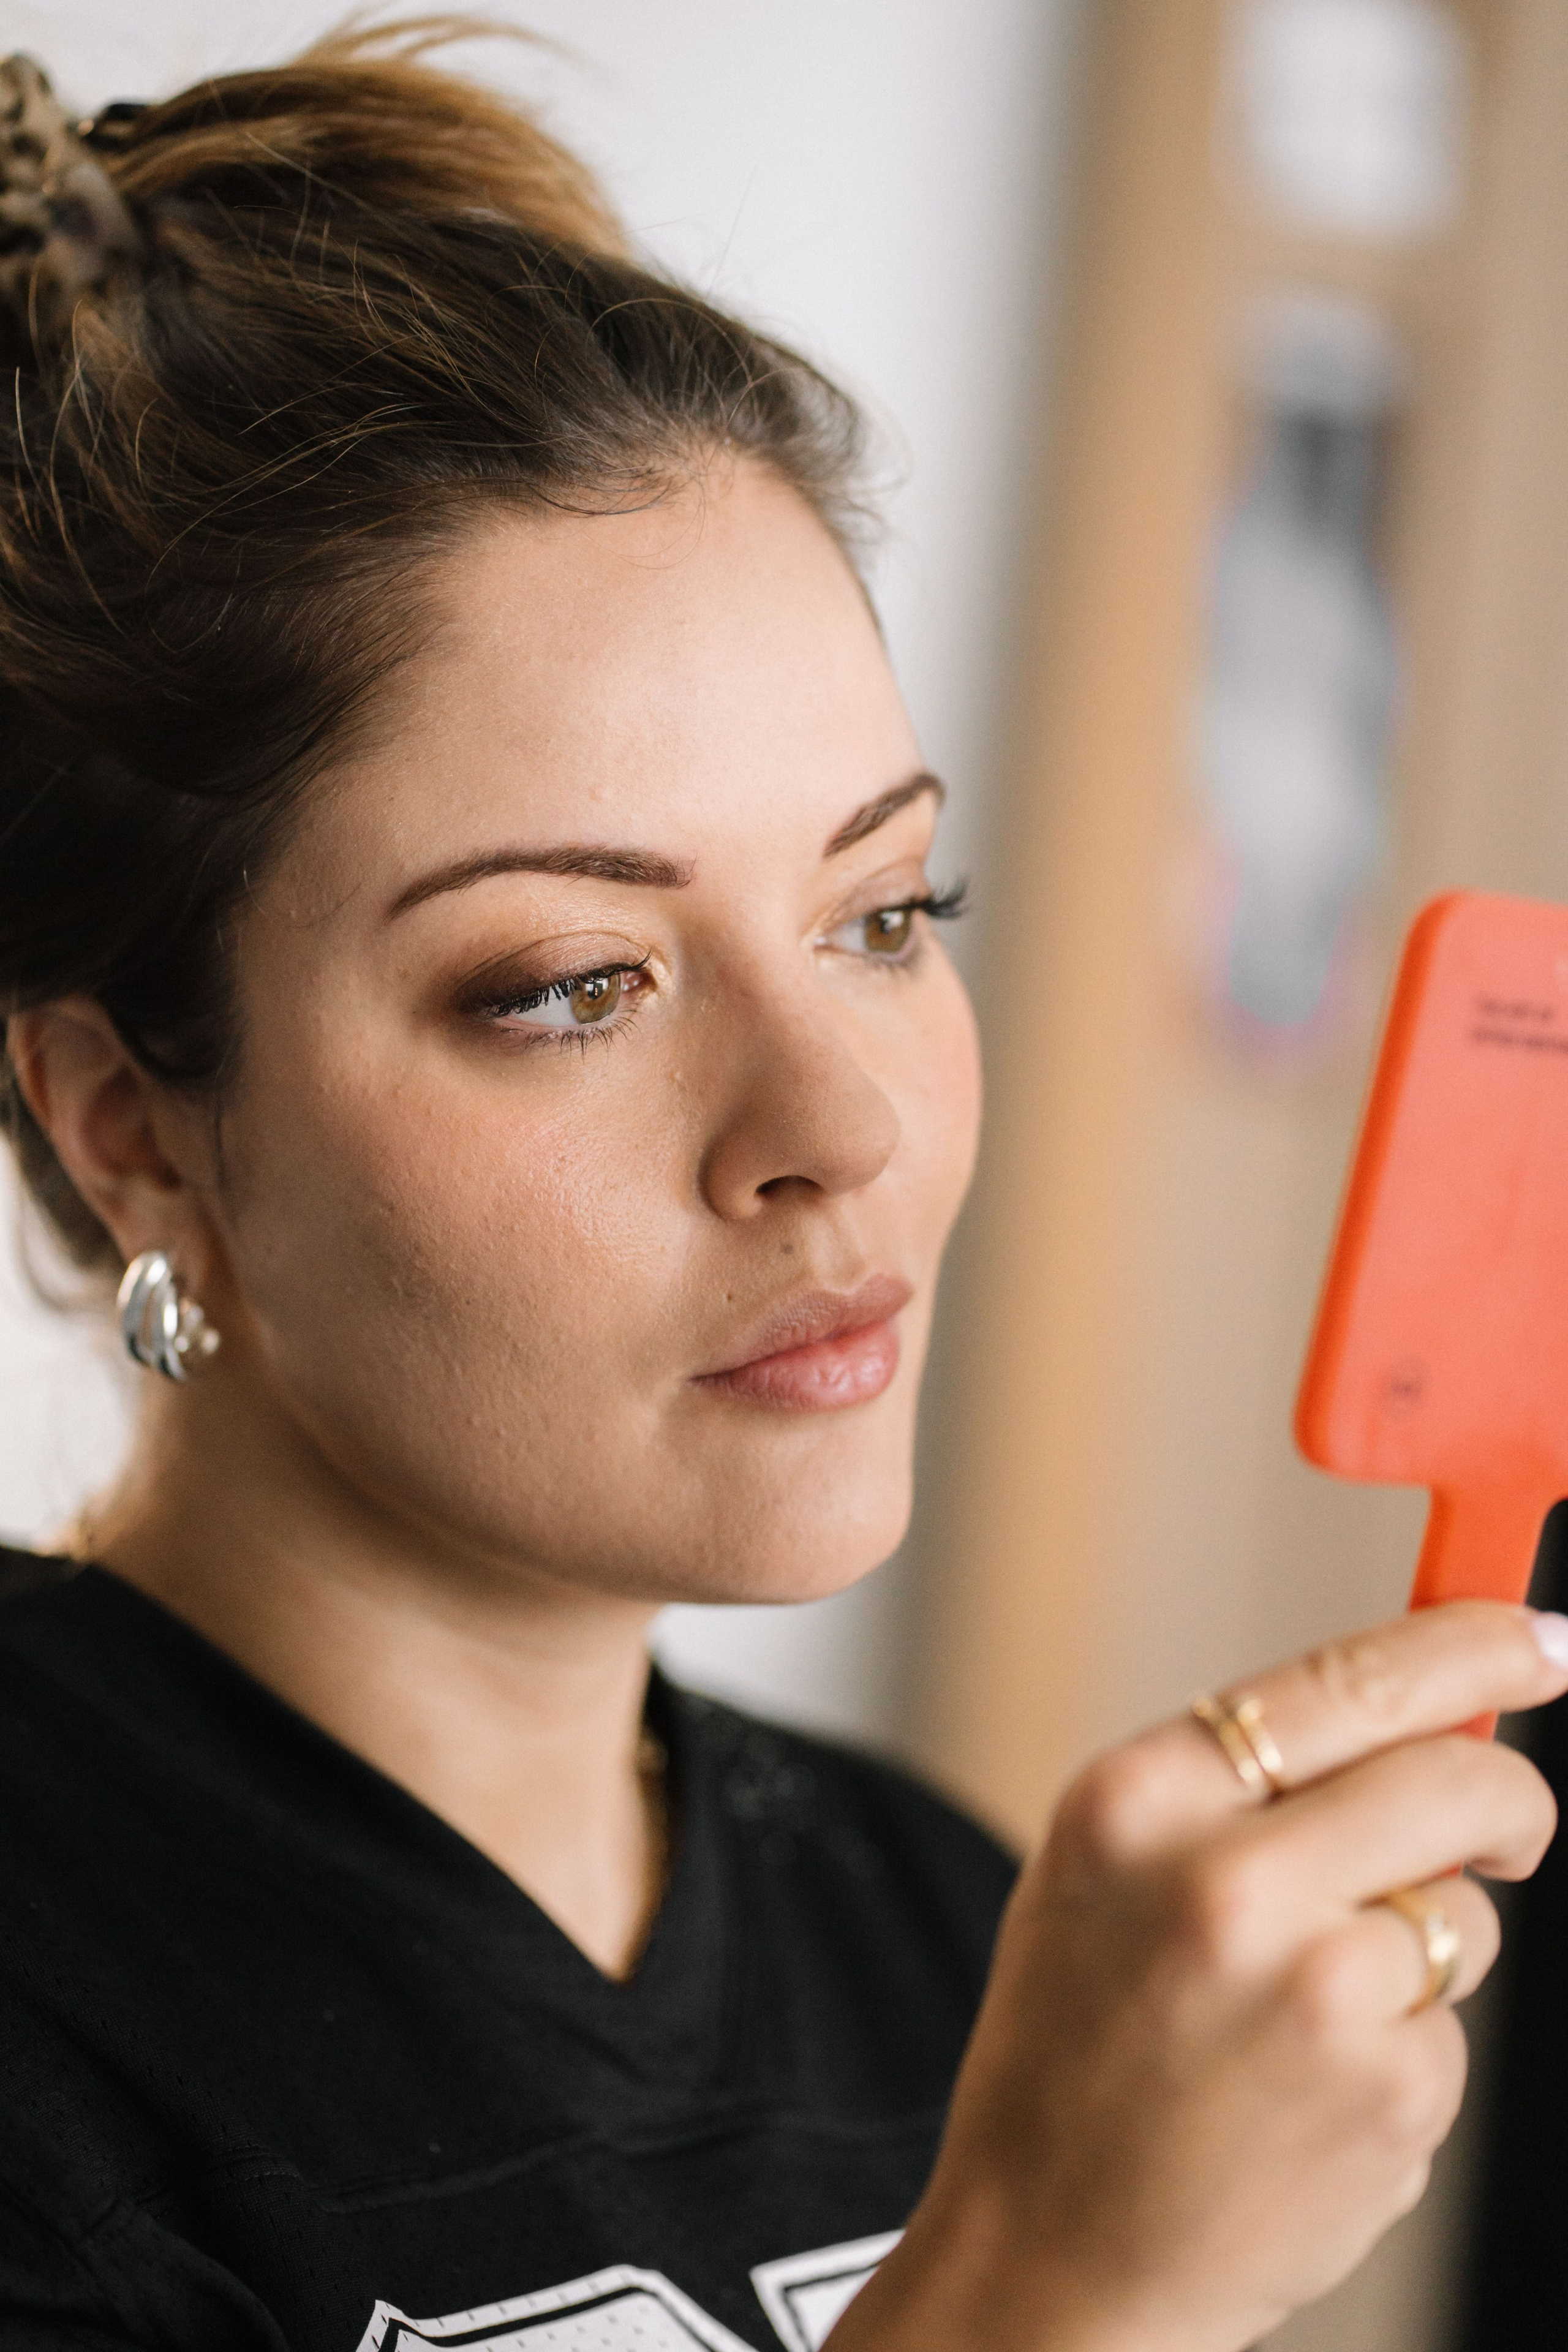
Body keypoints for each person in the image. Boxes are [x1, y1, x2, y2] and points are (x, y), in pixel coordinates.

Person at [0, 23, 1561, 2352]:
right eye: (573, 982)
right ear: (133, 1119)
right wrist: (1043, 2295)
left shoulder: (970, 1951)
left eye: (886, 913)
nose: (841, 1124)